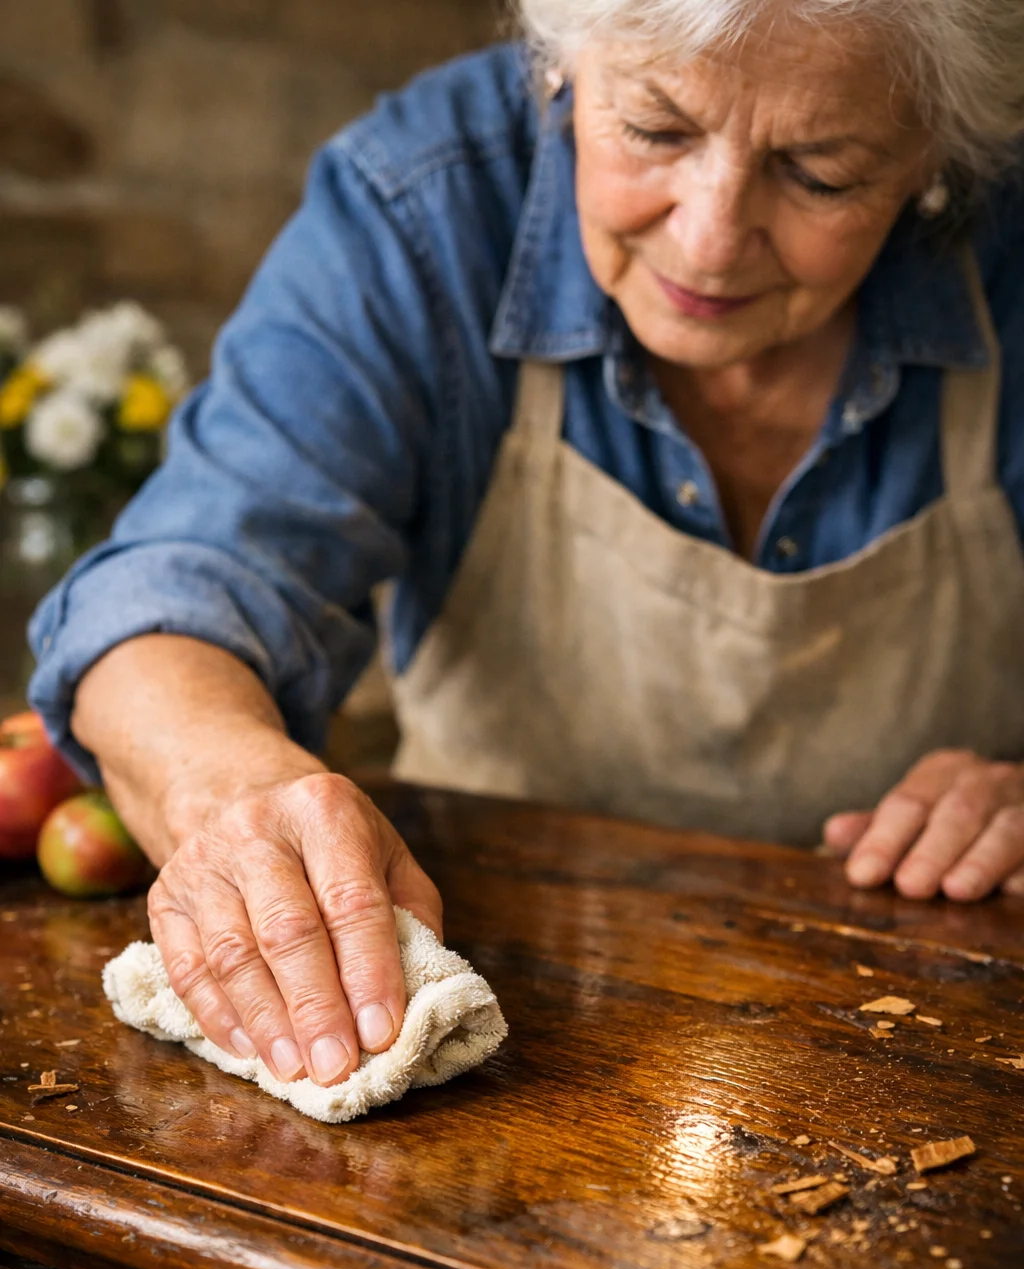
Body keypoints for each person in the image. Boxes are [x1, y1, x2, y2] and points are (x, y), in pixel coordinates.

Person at [28, 0, 1024, 1090]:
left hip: (927, 1047)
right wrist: (227, 788)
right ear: (560, 70)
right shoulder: (424, 205)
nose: (708, 238)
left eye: (820, 174)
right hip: (523, 1032)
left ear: (937, 153)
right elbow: (180, 582)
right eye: (654, 129)